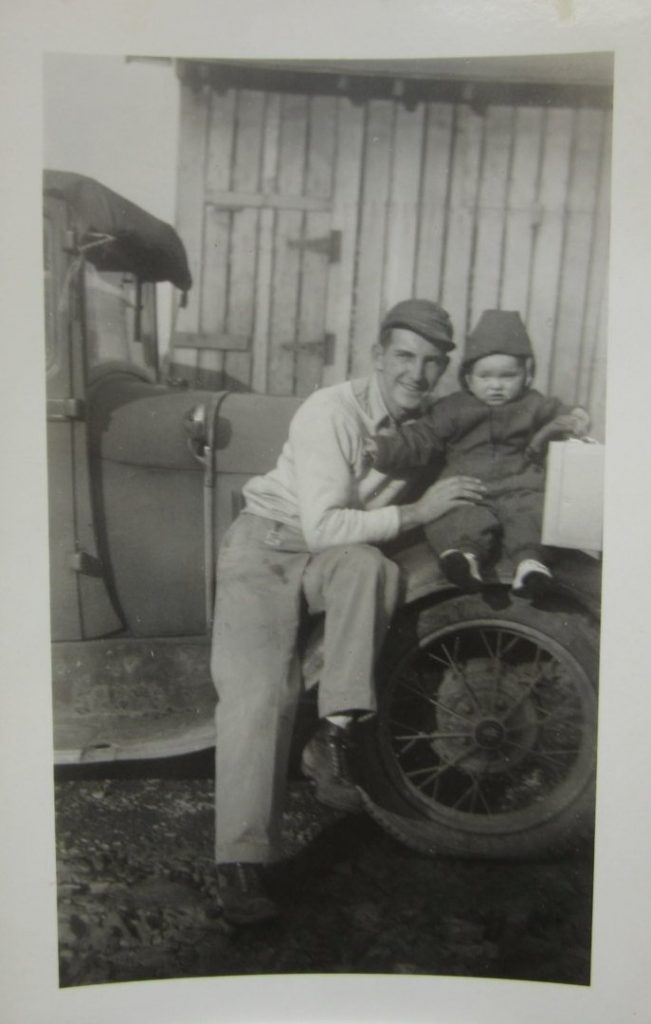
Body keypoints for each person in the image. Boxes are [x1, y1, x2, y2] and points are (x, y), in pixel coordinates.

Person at [210, 298, 486, 925]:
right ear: (378, 357)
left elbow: (506, 420)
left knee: (375, 570)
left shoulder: (434, 421)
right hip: (269, 545)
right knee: (260, 693)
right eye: (404, 358)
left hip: (337, 555)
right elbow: (327, 522)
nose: (416, 374)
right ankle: (241, 865)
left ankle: (333, 733)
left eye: (432, 363)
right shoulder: (332, 411)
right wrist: (419, 512)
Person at [365, 309, 589, 599]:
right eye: (485, 376)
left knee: (533, 516)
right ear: (468, 378)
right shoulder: (453, 409)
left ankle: (531, 565)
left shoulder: (533, 404)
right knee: (457, 516)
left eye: (508, 376)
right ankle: (463, 557)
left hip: (520, 486)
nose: (496, 385)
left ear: (526, 375)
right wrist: (384, 448)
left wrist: (574, 416)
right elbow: (422, 438)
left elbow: (558, 414)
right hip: (469, 487)